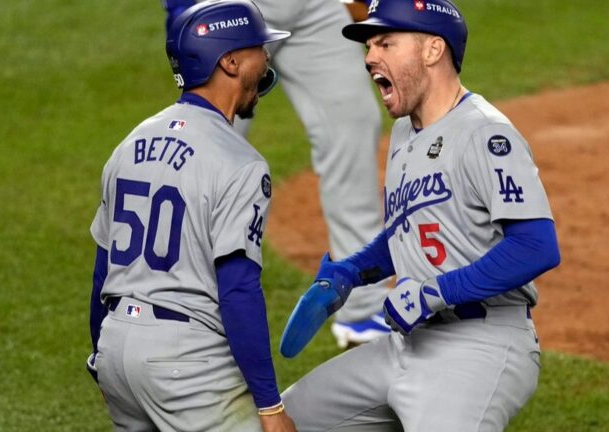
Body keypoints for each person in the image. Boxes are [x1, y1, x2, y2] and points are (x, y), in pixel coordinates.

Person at [278, 0, 561, 430]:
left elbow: (536, 247)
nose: (371, 56)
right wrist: (351, 273)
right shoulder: (405, 132)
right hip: (406, 342)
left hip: (481, 344)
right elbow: (409, 231)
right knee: (279, 421)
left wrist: (435, 293)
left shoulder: (486, 133)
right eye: (369, 46)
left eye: (386, 43)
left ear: (432, 50)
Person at [85, 1, 297, 430]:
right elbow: (238, 289)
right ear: (231, 61)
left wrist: (104, 352)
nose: (268, 58)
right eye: (258, 48)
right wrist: (270, 405)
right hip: (184, 364)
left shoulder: (130, 143)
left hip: (116, 347)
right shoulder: (241, 162)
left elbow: (101, 271)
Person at [162, 0, 392, 349]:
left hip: (315, 6)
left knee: (351, 123)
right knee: (206, 141)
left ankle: (363, 308)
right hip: (229, 7)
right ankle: (169, 302)